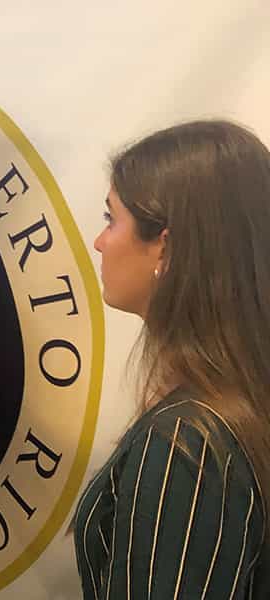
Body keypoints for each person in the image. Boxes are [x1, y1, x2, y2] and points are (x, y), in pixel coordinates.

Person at [75, 120, 270, 598]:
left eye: (110, 219)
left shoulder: (188, 447)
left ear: (164, 244)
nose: (100, 243)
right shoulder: (230, 406)